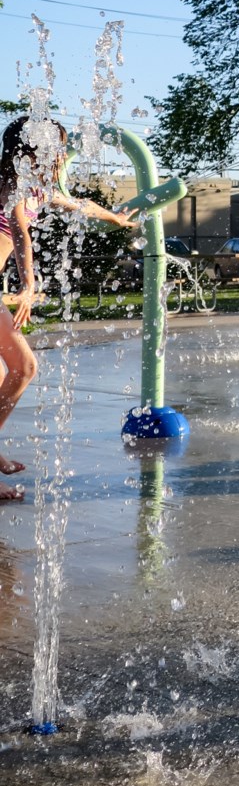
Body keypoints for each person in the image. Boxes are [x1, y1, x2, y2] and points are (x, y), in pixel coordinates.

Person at [0, 116, 142, 500]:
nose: (63, 158)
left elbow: (79, 204)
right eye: (58, 151)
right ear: (32, 154)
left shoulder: (39, 192)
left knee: (23, 367)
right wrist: (28, 285)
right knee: (18, 368)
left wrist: (114, 216)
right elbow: (21, 235)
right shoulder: (11, 188)